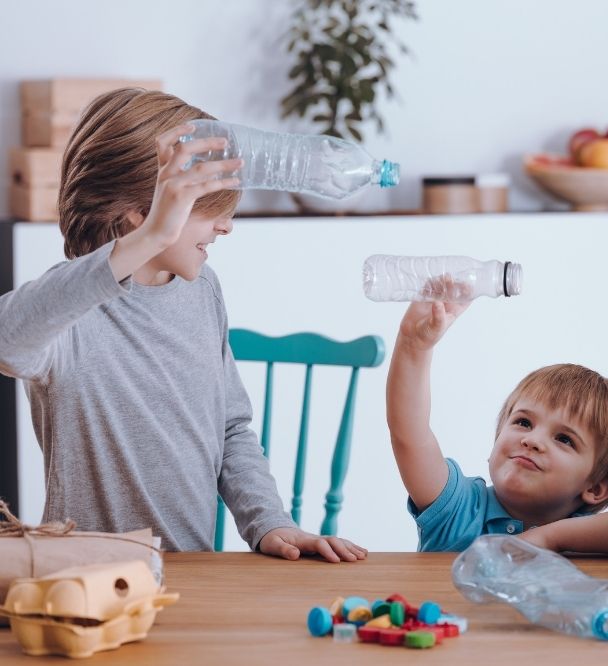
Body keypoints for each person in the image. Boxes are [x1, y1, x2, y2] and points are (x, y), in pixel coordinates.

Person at [0, 88, 366, 562]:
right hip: (85, 583)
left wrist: (269, 521)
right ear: (141, 213)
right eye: (205, 208)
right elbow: (8, 338)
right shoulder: (71, 309)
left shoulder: (202, 290)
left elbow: (230, 428)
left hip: (190, 574)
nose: (226, 226)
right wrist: (154, 234)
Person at [385, 299, 608, 553]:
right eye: (523, 422)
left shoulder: (590, 538)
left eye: (564, 439)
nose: (532, 440)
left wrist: (549, 538)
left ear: (596, 488)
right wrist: (414, 346)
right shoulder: (458, 508)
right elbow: (410, 436)